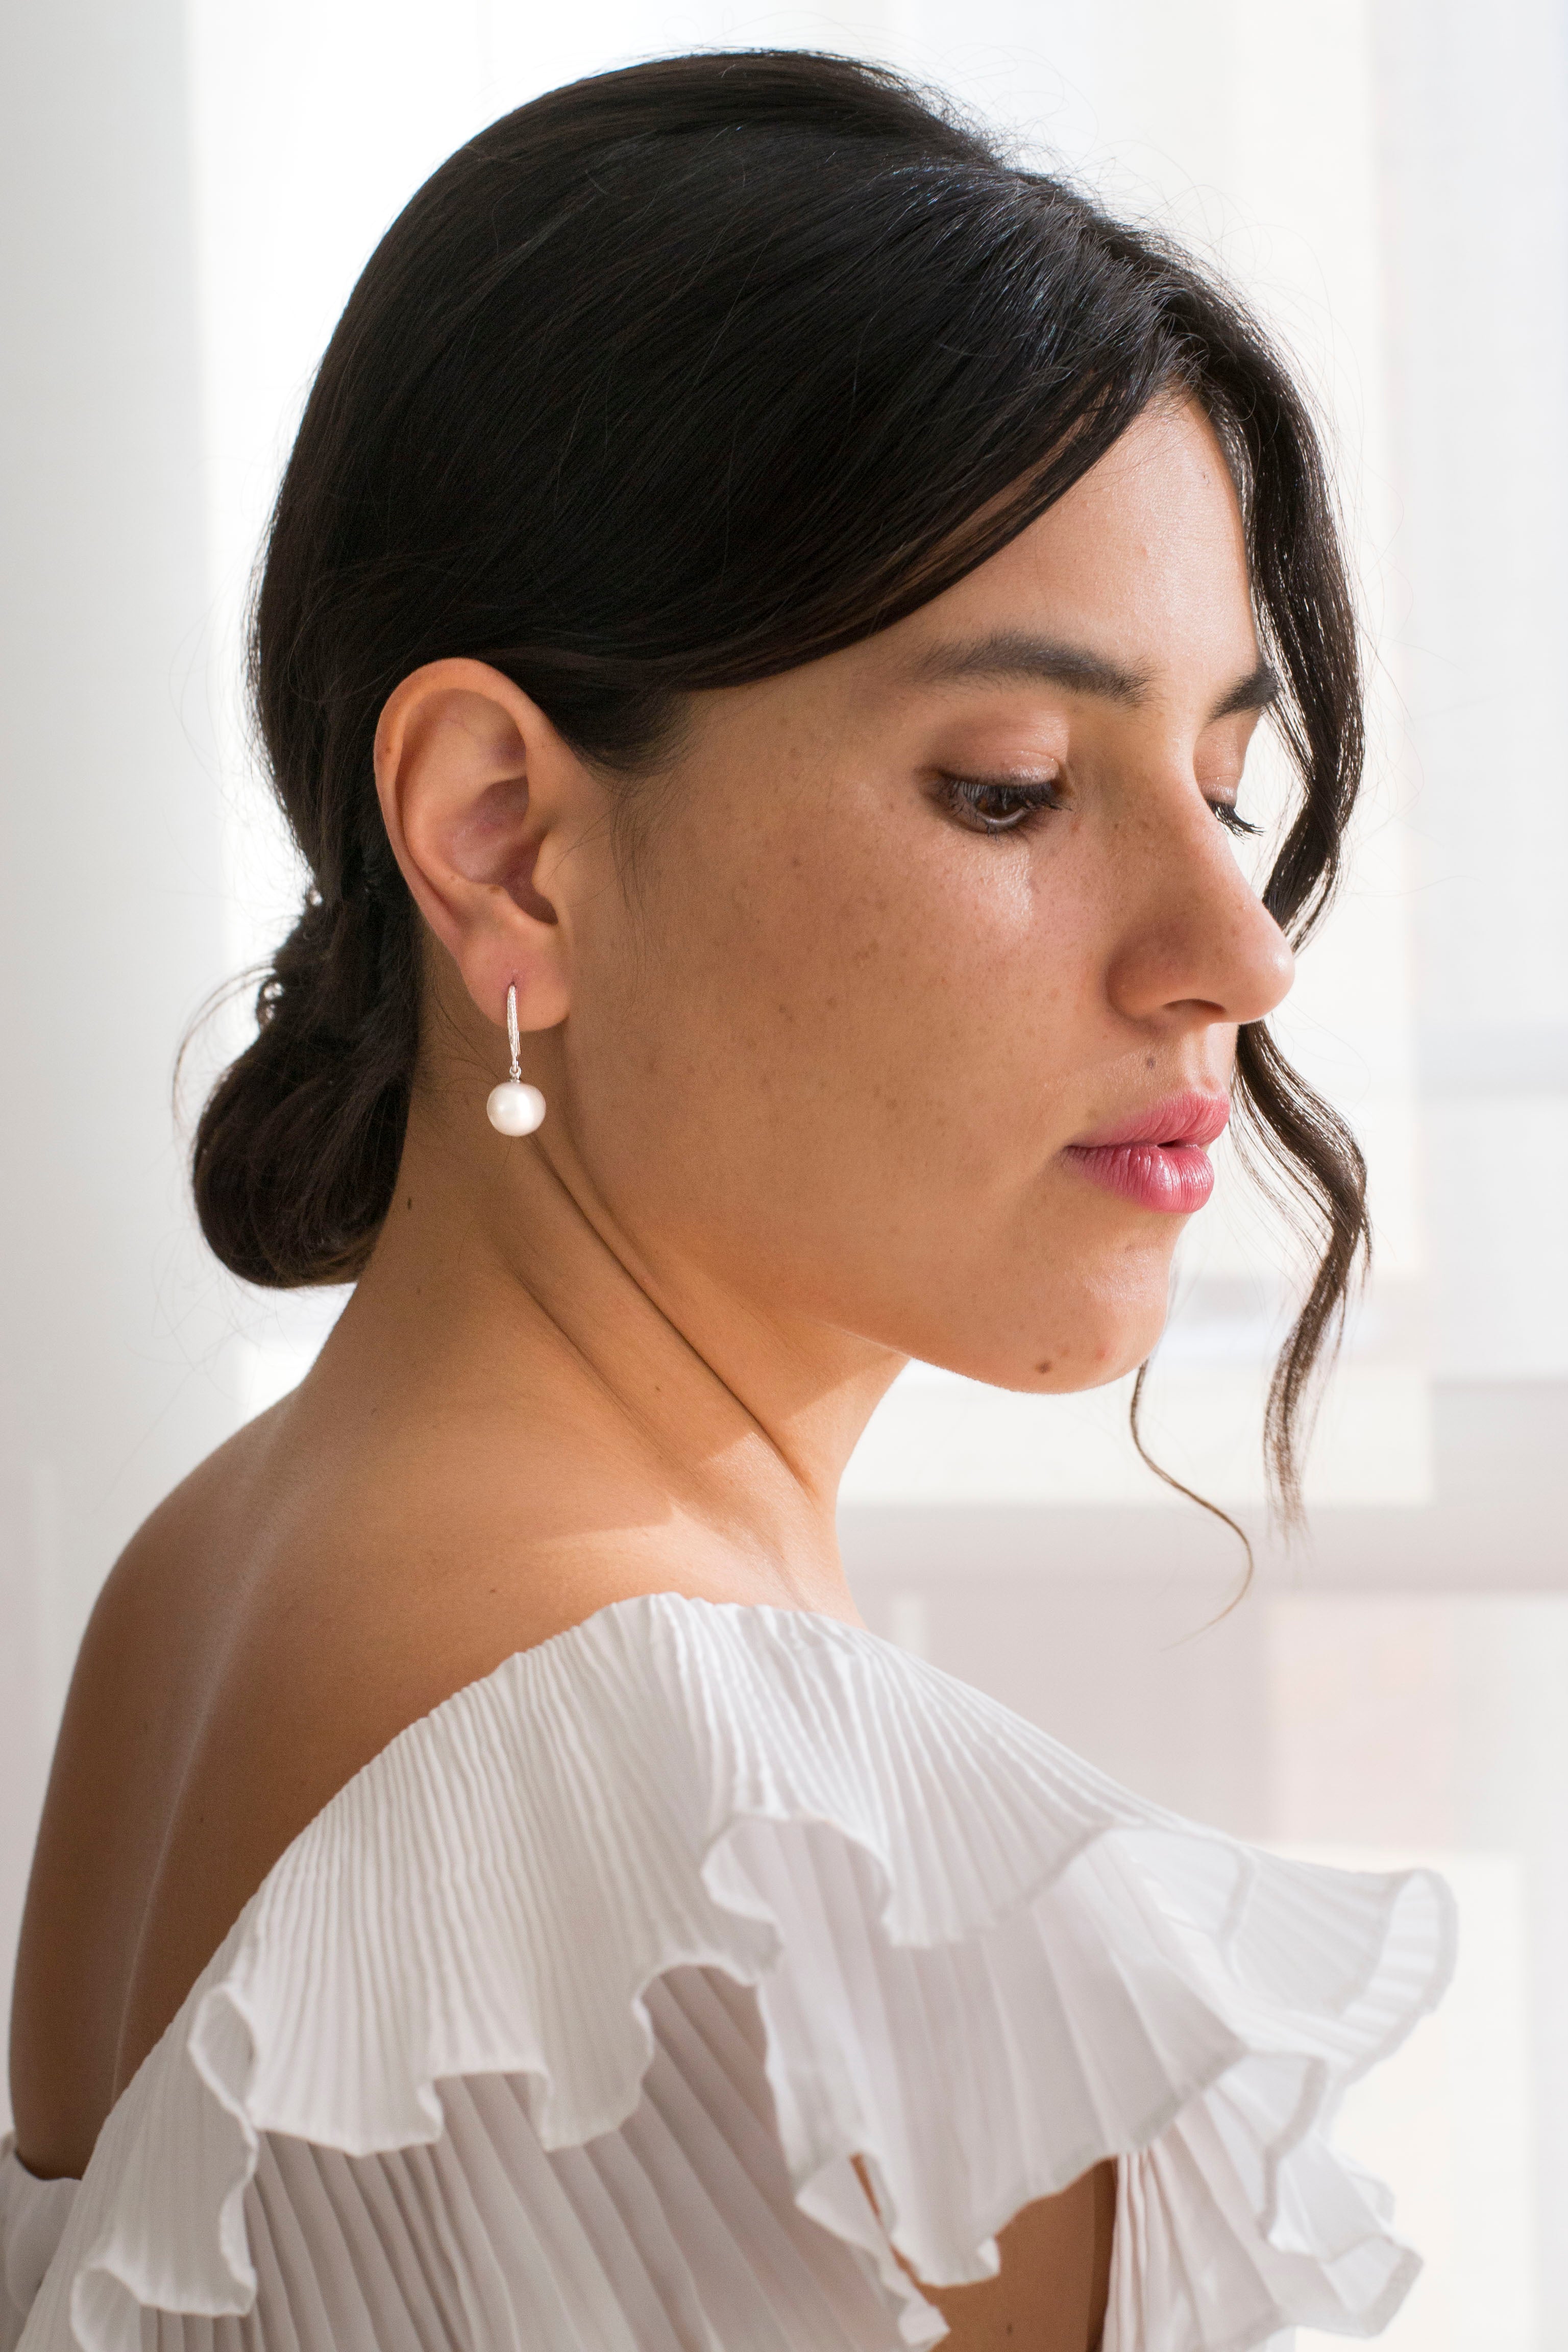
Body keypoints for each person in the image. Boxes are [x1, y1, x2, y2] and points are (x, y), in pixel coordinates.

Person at [1, 50, 1451, 2352]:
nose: (1239, 951)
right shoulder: (752, 1844)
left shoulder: (210, 1577)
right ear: (503, 835)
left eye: (1226, 772)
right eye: (1011, 788)